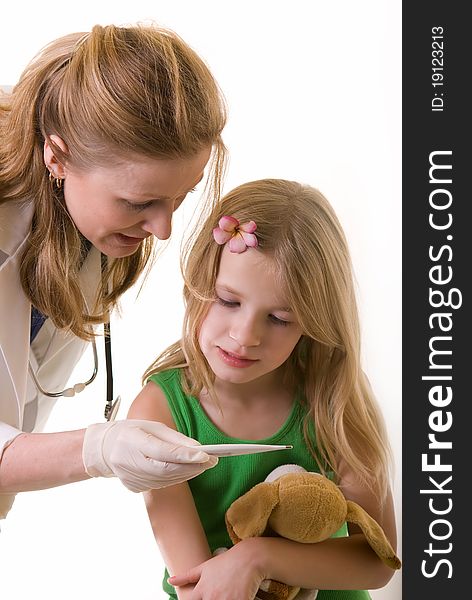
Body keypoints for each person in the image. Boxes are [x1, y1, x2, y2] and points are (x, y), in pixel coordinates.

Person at [128, 179, 399, 599]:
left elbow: (377, 560)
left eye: (279, 319)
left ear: (313, 323)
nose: (244, 335)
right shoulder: (159, 411)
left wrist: (258, 558)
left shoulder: (333, 399)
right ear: (198, 284)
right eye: (228, 301)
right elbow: (197, 587)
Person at [0, 23, 227, 521]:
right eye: (138, 202)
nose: (163, 229)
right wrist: (96, 449)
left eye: (180, 197)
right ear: (56, 156)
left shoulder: (78, 219)